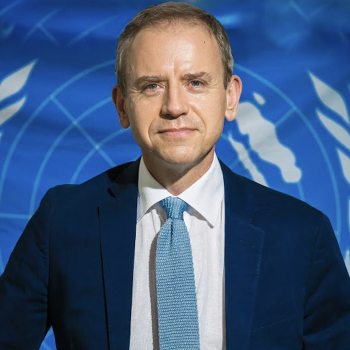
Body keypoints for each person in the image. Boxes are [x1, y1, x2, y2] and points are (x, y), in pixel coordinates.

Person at [1, 2, 350, 349]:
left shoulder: (303, 235)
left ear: (230, 98)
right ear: (122, 105)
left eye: (195, 82)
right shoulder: (62, 221)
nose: (174, 106)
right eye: (151, 86)